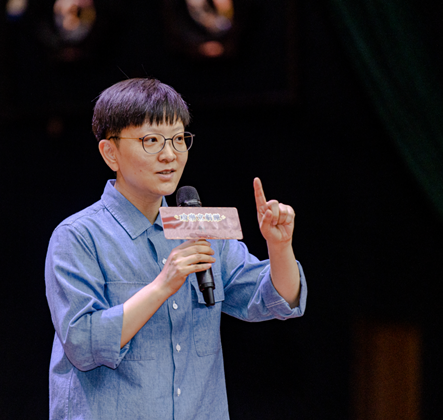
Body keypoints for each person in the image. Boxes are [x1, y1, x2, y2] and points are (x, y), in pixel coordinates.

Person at [44, 78, 307, 420]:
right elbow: (81, 343)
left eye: (179, 139)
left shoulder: (200, 226)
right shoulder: (78, 236)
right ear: (111, 153)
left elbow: (277, 301)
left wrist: (279, 246)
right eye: (151, 140)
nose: (169, 154)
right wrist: (162, 286)